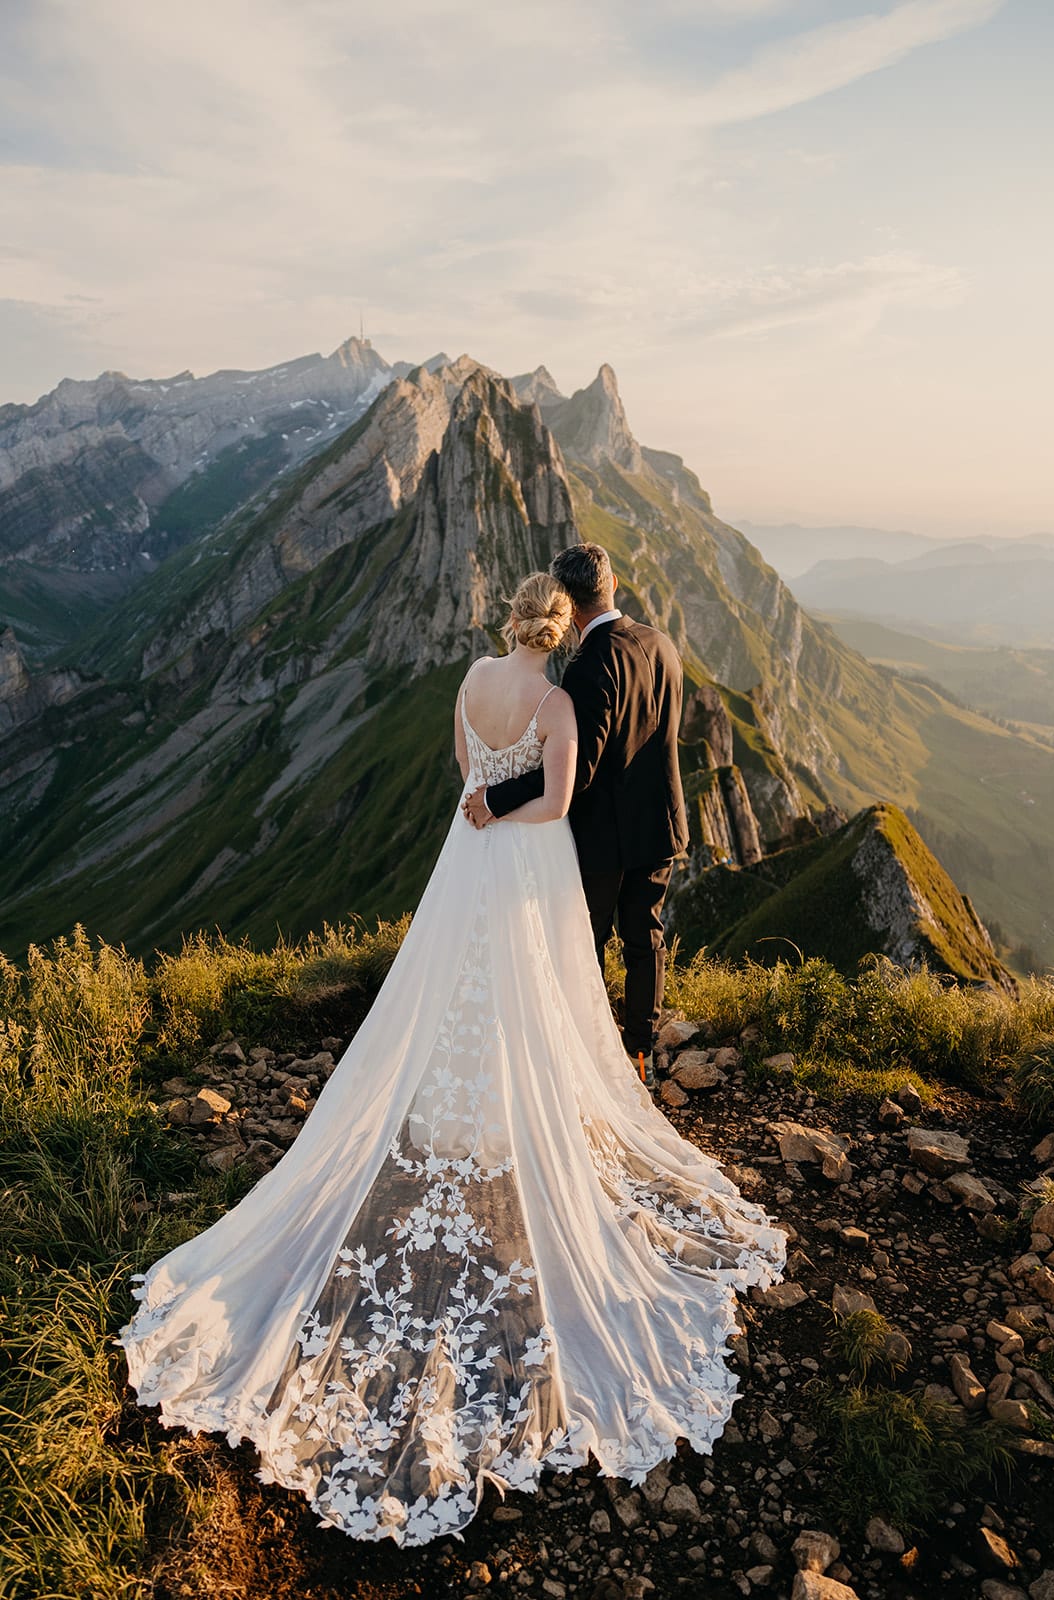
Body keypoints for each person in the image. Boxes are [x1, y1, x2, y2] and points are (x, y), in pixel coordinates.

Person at [116, 571, 786, 1550]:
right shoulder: (557, 698)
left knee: (458, 980)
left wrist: (479, 806)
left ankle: (445, 1109)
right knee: (532, 990)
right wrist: (505, 805)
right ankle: (508, 1117)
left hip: (467, 855)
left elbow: (462, 766)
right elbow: (556, 796)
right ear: (557, 633)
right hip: (526, 854)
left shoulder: (472, 677)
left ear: (509, 620)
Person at [462, 544, 687, 1081]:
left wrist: (496, 798)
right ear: (612, 583)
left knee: (586, 939)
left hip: (605, 835)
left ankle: (583, 1054)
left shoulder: (590, 667)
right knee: (645, 936)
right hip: (660, 823)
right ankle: (640, 1049)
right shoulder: (661, 644)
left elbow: (578, 771)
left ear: (568, 603)